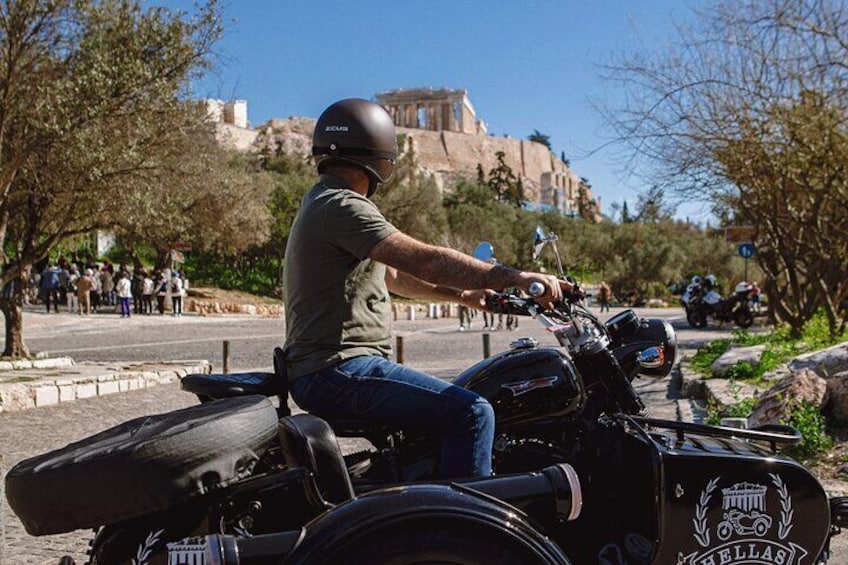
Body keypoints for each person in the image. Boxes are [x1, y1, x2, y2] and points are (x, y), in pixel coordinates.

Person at [283, 99, 571, 479]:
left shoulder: (324, 202)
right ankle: (463, 530)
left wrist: (461, 295)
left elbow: (396, 276)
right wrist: (512, 276)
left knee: (444, 410)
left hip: (331, 370)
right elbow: (426, 261)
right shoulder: (342, 205)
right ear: (380, 153)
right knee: (472, 412)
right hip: (337, 370)